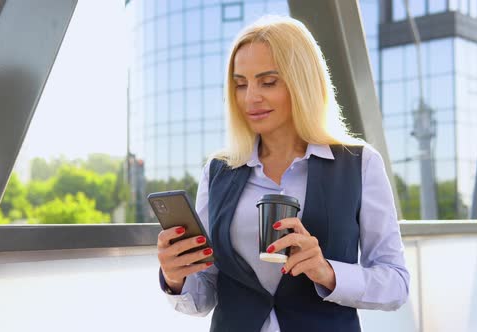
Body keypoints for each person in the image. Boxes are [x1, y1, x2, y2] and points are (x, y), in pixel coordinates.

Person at [157, 16, 409, 332]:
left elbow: (396, 283)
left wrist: (327, 272)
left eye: (268, 82)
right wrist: (175, 277)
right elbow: (205, 291)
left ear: (302, 82)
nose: (250, 98)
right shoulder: (218, 171)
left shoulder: (359, 164)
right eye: (240, 84)